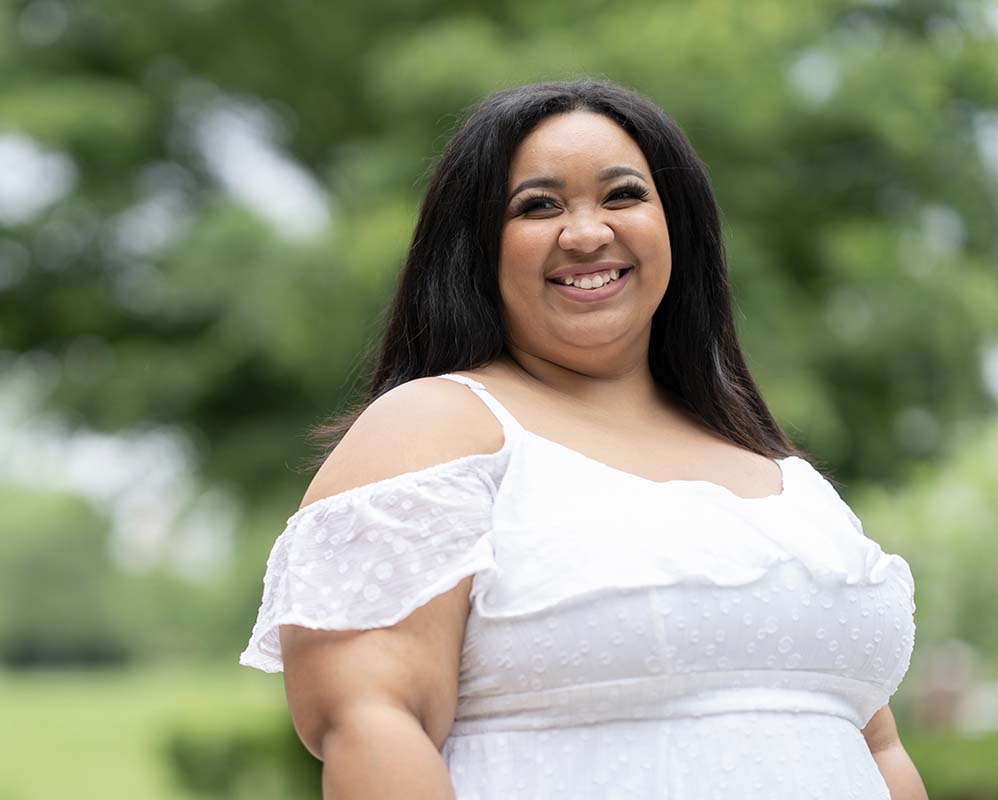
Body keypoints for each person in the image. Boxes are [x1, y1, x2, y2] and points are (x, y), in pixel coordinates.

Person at [240, 78, 926, 799]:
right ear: (475, 246)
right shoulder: (435, 428)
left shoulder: (784, 477)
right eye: (537, 206)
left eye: (623, 195)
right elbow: (373, 723)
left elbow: (877, 748)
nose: (586, 233)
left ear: (678, 228)